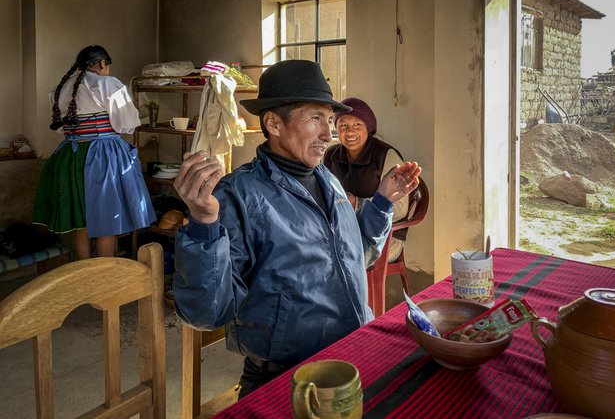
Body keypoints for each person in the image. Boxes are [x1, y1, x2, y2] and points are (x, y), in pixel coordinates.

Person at [172, 60, 421, 398]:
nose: (329, 134)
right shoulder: (238, 195)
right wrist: (203, 226)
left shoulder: (326, 179)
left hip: (351, 358)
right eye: (315, 118)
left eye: (329, 120)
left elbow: (356, 256)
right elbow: (206, 313)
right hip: (288, 378)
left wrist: (381, 202)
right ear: (273, 123)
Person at [33, 45, 156, 259]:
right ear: (102, 64)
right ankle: (103, 280)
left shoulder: (59, 89)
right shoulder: (108, 84)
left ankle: (85, 278)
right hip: (102, 156)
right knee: (106, 218)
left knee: (81, 221)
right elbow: (126, 124)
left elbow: (63, 128)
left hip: (69, 157)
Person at [324, 97, 410, 262]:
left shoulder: (386, 155)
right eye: (343, 125)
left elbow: (400, 208)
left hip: (384, 235)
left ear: (368, 127)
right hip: (343, 228)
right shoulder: (331, 155)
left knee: (340, 259)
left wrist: (357, 203)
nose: (350, 132)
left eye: (357, 125)